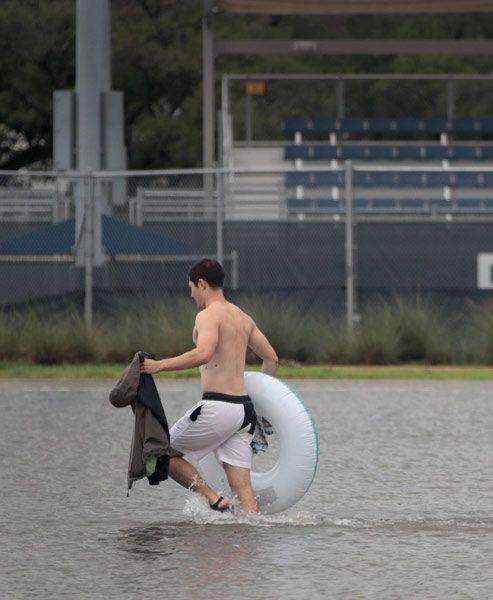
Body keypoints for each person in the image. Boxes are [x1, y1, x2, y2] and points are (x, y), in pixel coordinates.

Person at [140, 258, 278, 513]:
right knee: (244, 491)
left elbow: (203, 353)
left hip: (218, 406)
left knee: (160, 451)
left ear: (201, 284)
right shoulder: (243, 317)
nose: (191, 295)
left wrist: (159, 366)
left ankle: (213, 499)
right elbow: (271, 358)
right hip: (244, 412)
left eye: (191, 288)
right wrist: (260, 407)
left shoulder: (207, 315)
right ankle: (251, 537)